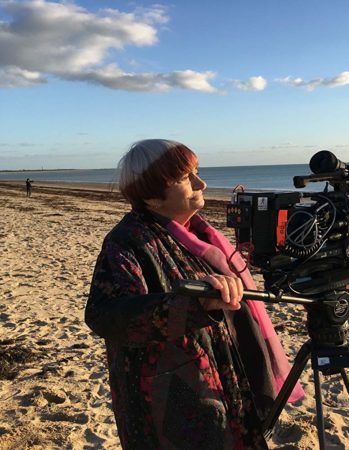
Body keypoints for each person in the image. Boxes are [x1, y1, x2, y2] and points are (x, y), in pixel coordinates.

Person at [85, 139, 304, 449]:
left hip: (223, 382)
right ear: (151, 195)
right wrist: (190, 306)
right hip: (172, 403)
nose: (201, 183)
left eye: (197, 172)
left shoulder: (198, 235)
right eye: (185, 177)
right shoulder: (128, 240)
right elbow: (105, 314)